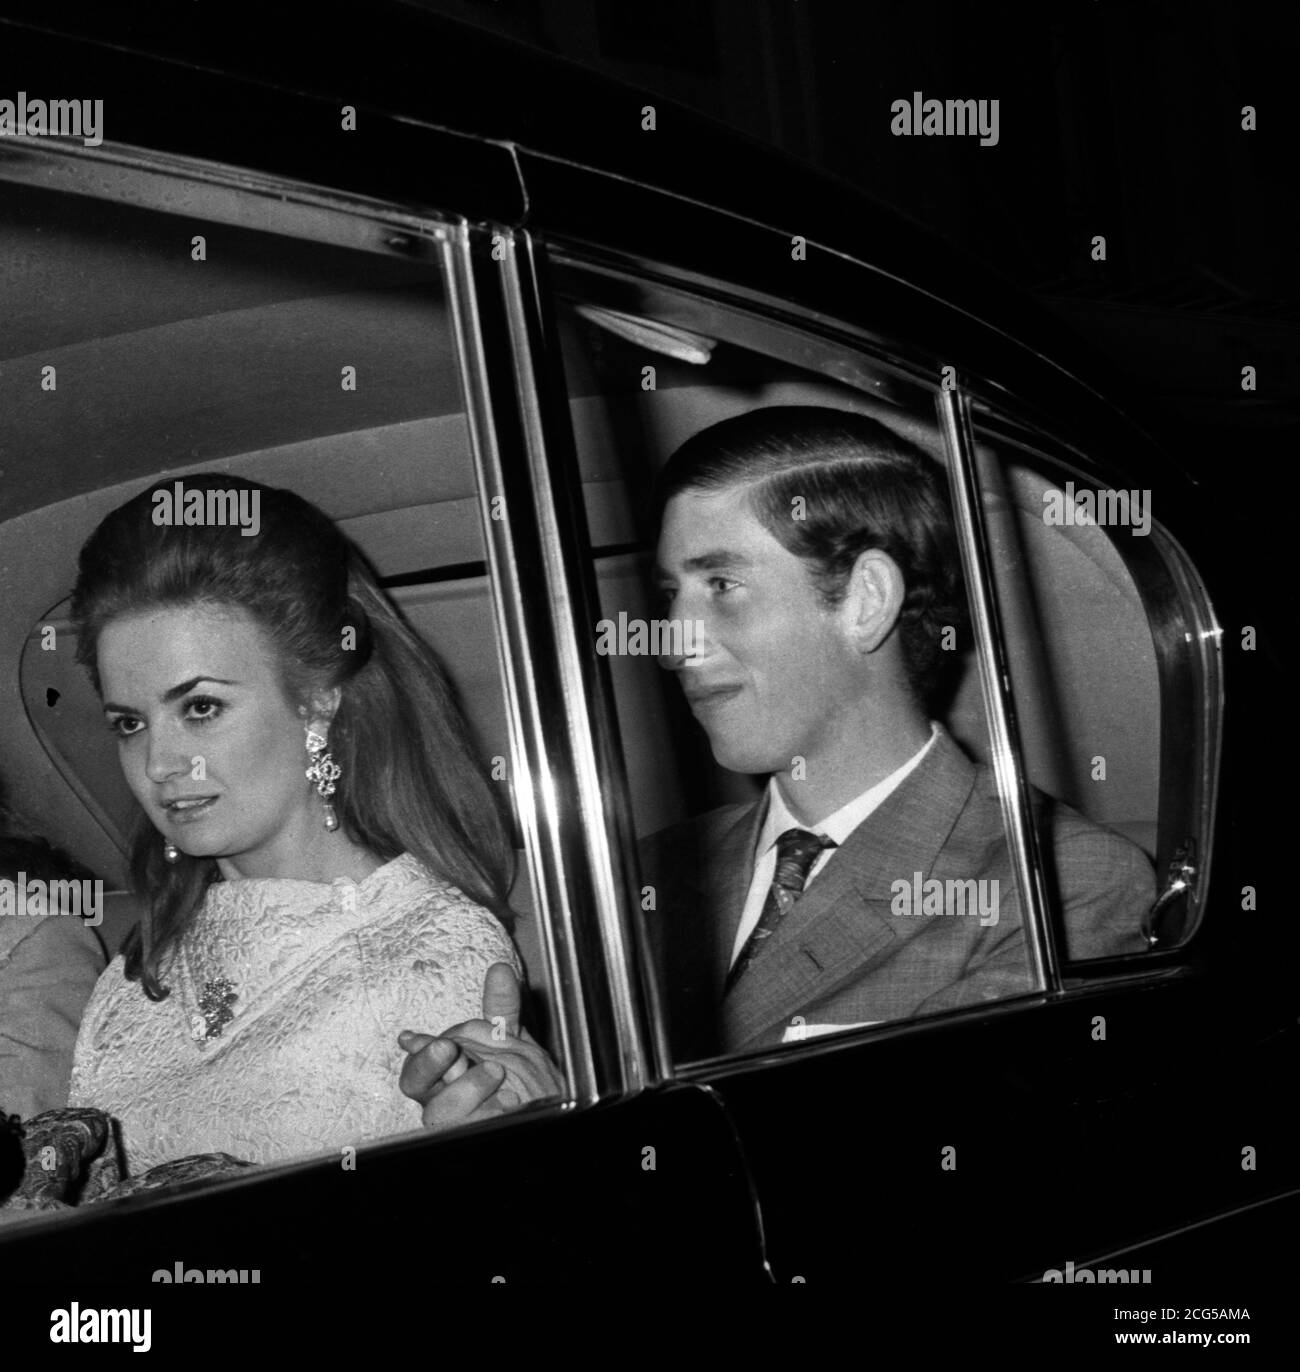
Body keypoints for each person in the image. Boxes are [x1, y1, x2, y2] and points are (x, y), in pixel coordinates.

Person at [399, 406, 1154, 1110]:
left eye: (722, 585)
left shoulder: (1055, 887)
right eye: (672, 593)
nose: (673, 641)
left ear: (866, 601)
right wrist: (543, 1109)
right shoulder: (652, 875)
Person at [56, 472, 544, 1176]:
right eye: (130, 723)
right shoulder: (136, 974)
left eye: (200, 709)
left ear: (318, 702)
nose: (159, 763)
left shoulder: (432, 951)